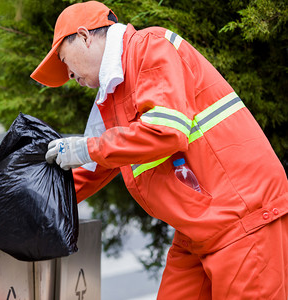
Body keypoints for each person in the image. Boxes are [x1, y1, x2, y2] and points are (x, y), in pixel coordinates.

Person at [31, 1, 288, 299]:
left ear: (85, 36)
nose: (69, 76)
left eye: (65, 60)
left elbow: (165, 133)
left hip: (243, 220)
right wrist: (32, 205)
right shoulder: (109, 96)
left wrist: (87, 147)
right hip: (199, 230)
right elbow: (89, 169)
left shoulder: (150, 47)